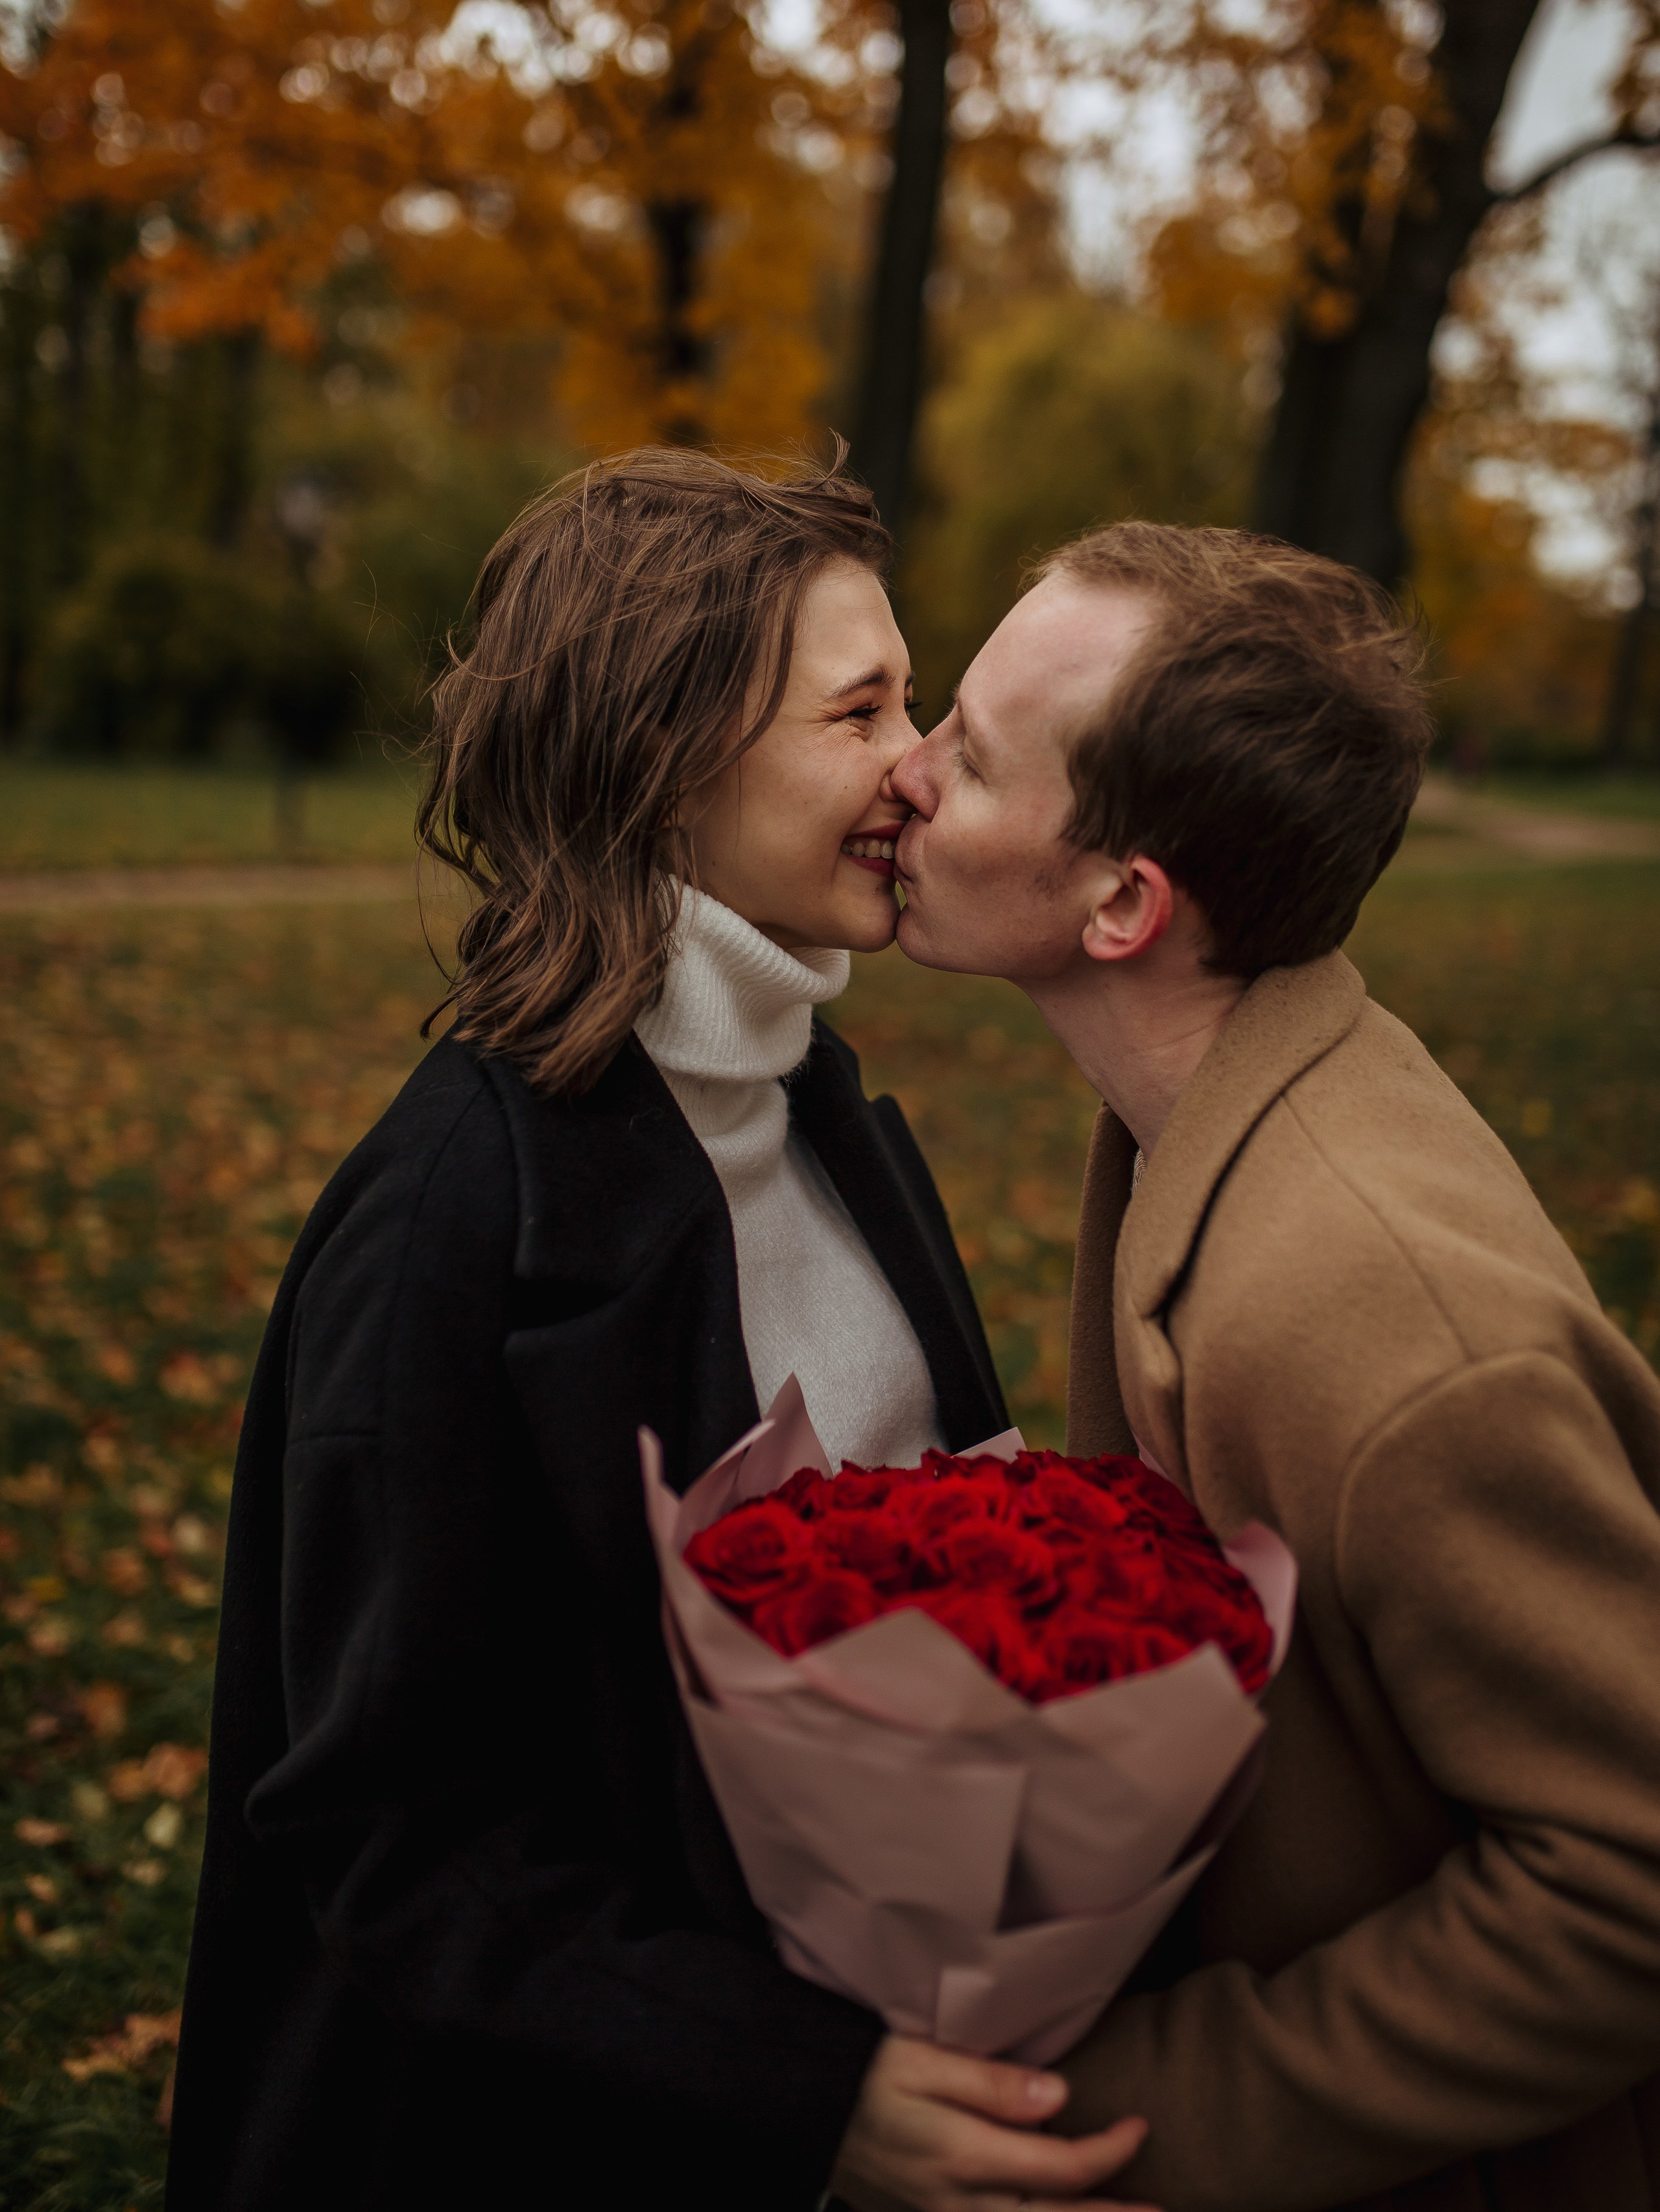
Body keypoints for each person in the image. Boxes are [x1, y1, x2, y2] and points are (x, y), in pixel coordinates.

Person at [167, 449, 1154, 2212]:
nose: (921, 765)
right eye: (862, 709)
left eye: (911, 700)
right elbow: (392, 1843)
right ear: (665, 754)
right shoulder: (451, 1221)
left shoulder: (826, 1103)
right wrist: (804, 2093)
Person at [858, 519, 1660, 2212]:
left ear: (1125, 902)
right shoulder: (1191, 1111)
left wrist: (1149, 2106)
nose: (906, 774)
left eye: (974, 756)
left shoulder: (1390, 1334)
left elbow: (1631, 1879)